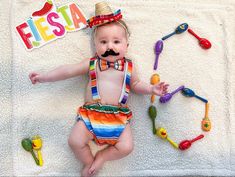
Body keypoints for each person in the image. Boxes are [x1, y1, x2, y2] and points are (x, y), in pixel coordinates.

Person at [29, 1, 169, 177]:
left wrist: (151, 89)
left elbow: (135, 85)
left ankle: (103, 156)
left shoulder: (129, 67)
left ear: (127, 45)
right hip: (91, 115)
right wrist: (44, 77)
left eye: (116, 41)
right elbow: (68, 70)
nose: (110, 47)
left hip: (118, 117)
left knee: (126, 147)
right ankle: (89, 162)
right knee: (74, 141)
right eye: (103, 42)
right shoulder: (93, 64)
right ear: (95, 45)